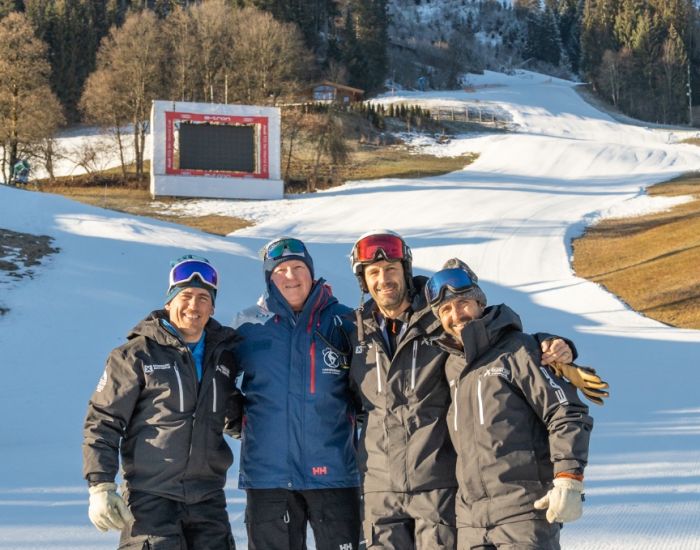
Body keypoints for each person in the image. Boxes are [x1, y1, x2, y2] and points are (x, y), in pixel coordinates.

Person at [347, 230, 579, 549]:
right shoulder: (355, 332)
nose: (383, 279)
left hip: (438, 490)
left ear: (406, 271)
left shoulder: (437, 321)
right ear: (364, 281)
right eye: (373, 272)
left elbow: (489, 332)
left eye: (390, 270)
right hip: (381, 493)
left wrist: (546, 343)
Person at [427, 258, 594, 550]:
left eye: (464, 302)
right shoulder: (451, 366)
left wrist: (569, 477)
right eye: (446, 309)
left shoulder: (520, 350)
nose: (457, 315)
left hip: (523, 514)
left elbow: (565, 412)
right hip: (471, 522)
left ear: (480, 303)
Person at [82, 255, 240, 549]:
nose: (194, 306)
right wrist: (100, 484)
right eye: (186, 296)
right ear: (169, 302)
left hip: (208, 500)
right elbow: (103, 420)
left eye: (204, 298)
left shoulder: (224, 356)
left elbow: (237, 418)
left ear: (213, 307)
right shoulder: (136, 355)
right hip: (150, 499)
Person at [233, 237, 361, 550]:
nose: (291, 276)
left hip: (335, 473)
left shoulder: (345, 321)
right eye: (281, 270)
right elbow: (220, 388)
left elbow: (367, 392)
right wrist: (242, 425)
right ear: (269, 277)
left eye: (298, 267)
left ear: (311, 273)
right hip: (268, 478)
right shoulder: (248, 325)